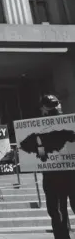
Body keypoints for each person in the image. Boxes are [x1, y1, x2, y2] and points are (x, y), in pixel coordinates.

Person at [40, 95, 75, 239]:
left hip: (56, 176)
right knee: (58, 213)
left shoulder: (39, 127)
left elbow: (40, 152)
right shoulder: (70, 122)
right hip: (62, 175)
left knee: (57, 214)